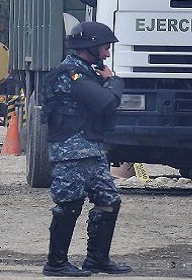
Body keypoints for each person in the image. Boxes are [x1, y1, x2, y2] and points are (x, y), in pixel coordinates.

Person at [40, 21, 131, 277]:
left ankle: (97, 260)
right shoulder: (71, 73)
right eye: (104, 48)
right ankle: (56, 264)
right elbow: (106, 103)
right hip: (71, 151)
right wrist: (113, 81)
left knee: (109, 201)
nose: (107, 54)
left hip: (91, 148)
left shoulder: (87, 72)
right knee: (69, 204)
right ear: (89, 47)